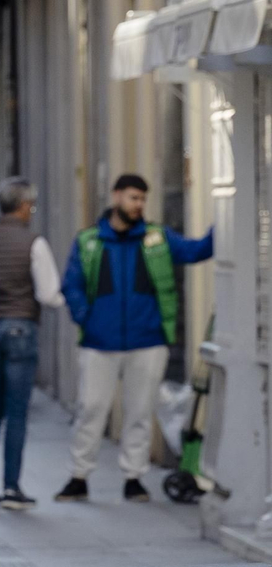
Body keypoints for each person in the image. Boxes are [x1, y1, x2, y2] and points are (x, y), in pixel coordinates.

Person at [57, 174, 214, 503]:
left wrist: (225, 220)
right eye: (132, 198)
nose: (139, 204)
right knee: (91, 408)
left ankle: (134, 478)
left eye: (142, 199)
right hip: (99, 343)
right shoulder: (89, 241)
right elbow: (71, 284)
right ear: (116, 197)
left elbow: (197, 250)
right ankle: (79, 475)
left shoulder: (157, 238)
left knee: (140, 411)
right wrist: (86, 318)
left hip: (148, 340)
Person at [0, 178, 65, 510]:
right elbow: (47, 294)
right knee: (17, 410)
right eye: (30, 206)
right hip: (20, 326)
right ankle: (11, 487)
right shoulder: (34, 243)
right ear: (23, 206)